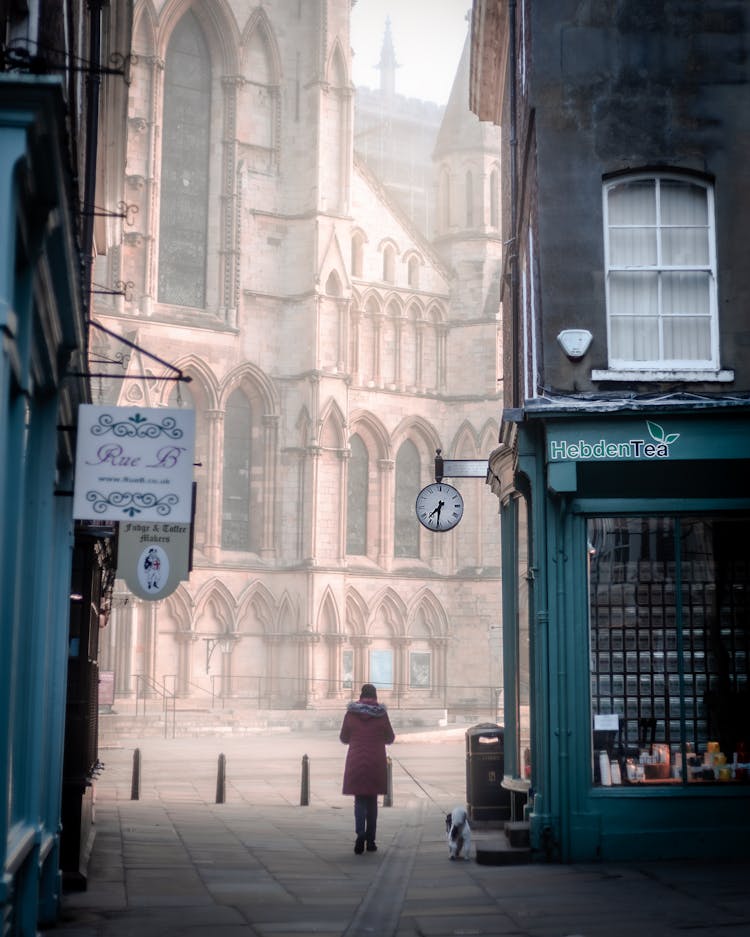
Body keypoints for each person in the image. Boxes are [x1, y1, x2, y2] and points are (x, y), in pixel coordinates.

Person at [339, 683, 395, 854]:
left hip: (356, 759)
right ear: (375, 696)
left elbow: (343, 737)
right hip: (376, 761)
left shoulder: (351, 713)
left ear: (361, 695)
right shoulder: (381, 714)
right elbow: (390, 737)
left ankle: (360, 833)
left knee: (359, 800)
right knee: (372, 802)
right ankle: (371, 841)